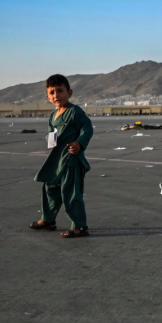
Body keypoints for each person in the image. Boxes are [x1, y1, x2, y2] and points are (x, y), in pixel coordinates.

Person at [29, 74, 93, 238]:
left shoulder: (75, 111)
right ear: (47, 96)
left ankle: (80, 226)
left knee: (71, 193)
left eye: (60, 91)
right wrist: (49, 138)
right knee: (50, 189)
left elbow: (87, 129)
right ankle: (48, 219)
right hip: (56, 161)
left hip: (71, 160)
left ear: (69, 93)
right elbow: (50, 134)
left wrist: (79, 143)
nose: (56, 95)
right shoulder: (53, 115)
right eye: (52, 92)